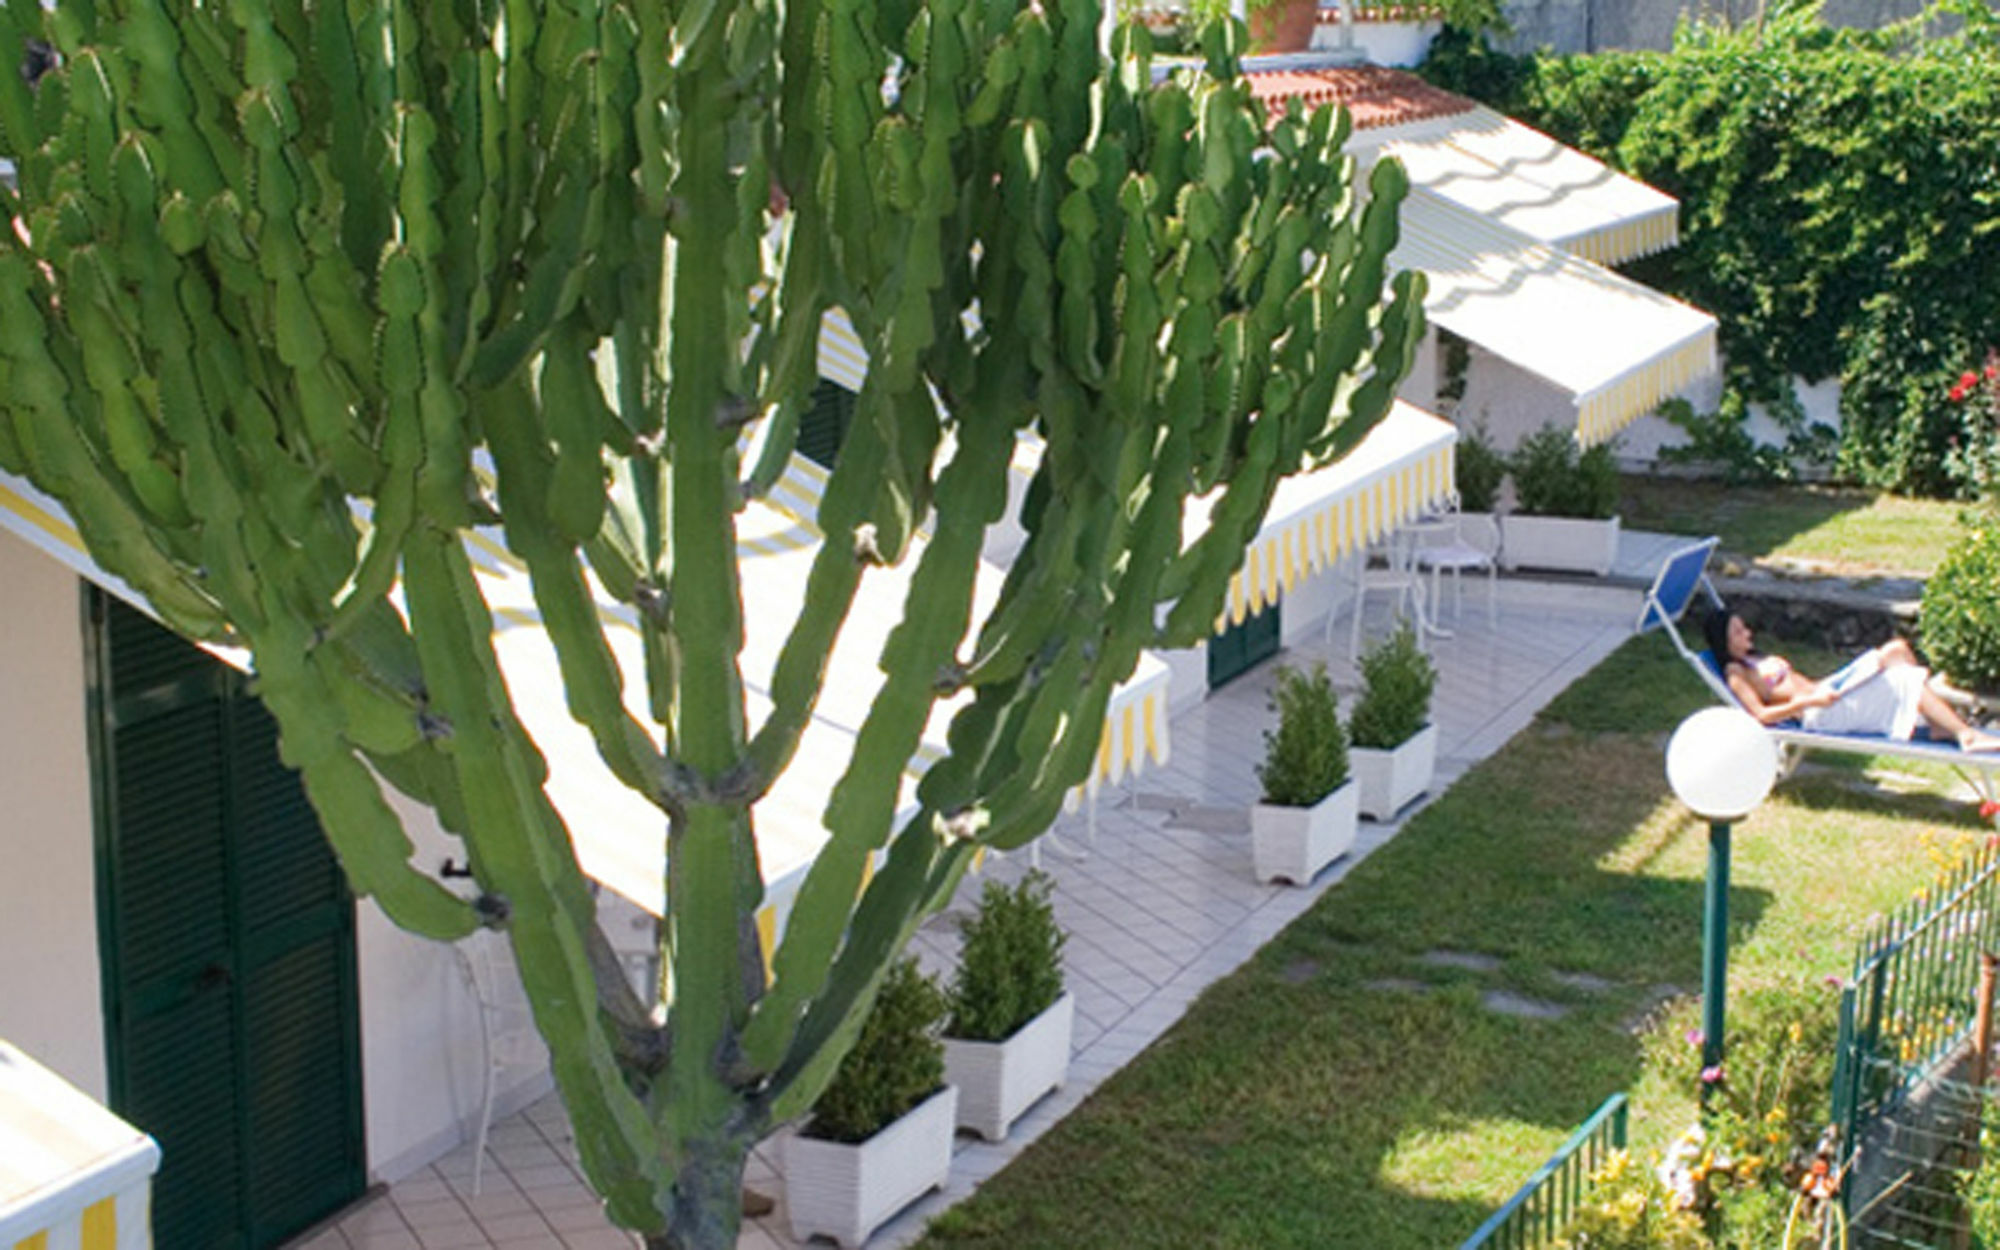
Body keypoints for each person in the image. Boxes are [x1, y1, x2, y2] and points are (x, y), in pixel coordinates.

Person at [1701, 610, 2000, 751]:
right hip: (1820, 712)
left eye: (1745, 628)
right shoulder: (1736, 673)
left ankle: (1939, 724)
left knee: (1897, 650)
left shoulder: (1752, 658)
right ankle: (1964, 734)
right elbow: (1761, 716)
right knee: (1901, 678)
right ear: (1723, 642)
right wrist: (1809, 700)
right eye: (1738, 633)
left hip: (1828, 691)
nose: (1748, 635)